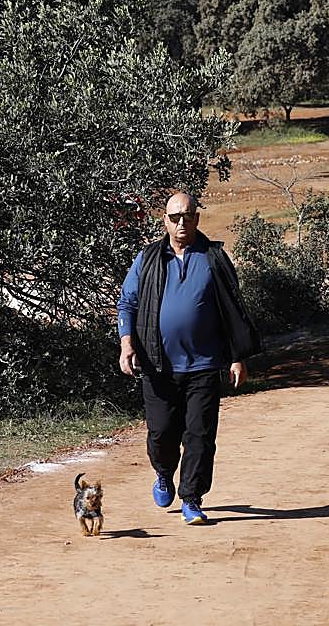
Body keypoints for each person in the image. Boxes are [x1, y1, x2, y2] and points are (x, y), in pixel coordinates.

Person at [117, 192, 260, 525]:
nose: (182, 222)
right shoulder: (149, 258)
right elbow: (127, 304)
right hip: (157, 365)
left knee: (200, 436)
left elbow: (232, 311)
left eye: (189, 216)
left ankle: (192, 498)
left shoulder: (214, 258)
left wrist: (237, 357)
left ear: (198, 218)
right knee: (162, 433)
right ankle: (164, 473)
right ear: (164, 220)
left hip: (204, 365)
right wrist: (127, 345)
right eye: (175, 217)